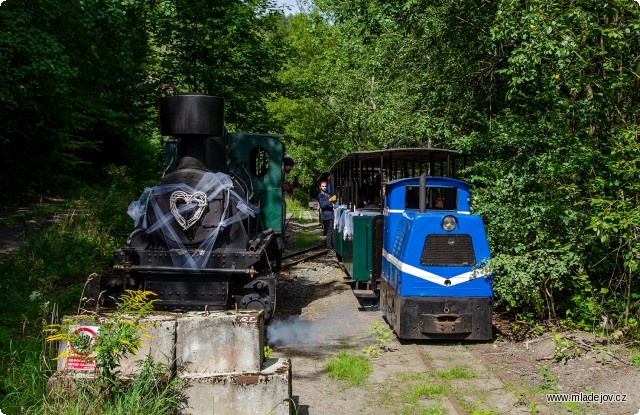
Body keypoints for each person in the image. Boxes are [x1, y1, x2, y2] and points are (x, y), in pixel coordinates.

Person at [317, 181, 336, 249]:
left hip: (331, 214)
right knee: (329, 231)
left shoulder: (328, 194)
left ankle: (329, 244)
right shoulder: (320, 196)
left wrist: (334, 200)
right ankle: (329, 246)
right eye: (323, 186)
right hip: (326, 215)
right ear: (320, 187)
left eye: (325, 186)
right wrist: (330, 200)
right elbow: (322, 205)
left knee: (329, 231)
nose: (324, 187)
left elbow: (333, 201)